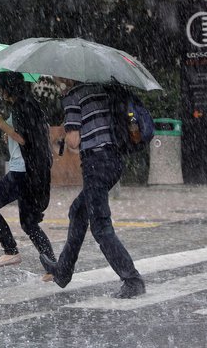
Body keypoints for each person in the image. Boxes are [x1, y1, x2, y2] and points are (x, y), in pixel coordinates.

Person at [40, 77, 146, 299]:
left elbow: (73, 141)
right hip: (114, 162)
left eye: (57, 75)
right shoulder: (102, 89)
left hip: (95, 163)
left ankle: (132, 279)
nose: (56, 79)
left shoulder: (72, 96)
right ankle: (63, 271)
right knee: (78, 211)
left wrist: (66, 128)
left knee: (100, 225)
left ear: (65, 76)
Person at [0, 71, 56, 280]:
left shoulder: (23, 106)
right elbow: (25, 136)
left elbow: (25, 139)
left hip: (22, 171)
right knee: (29, 222)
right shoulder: (28, 104)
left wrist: (1, 124)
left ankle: (10, 251)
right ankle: (52, 267)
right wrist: (9, 134)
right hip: (31, 171)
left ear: (7, 88)